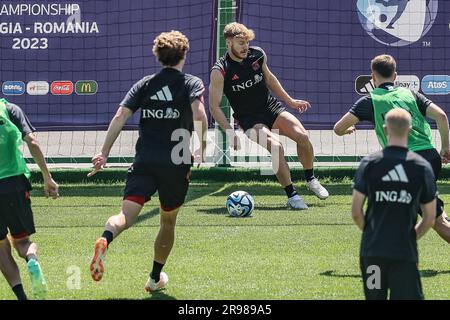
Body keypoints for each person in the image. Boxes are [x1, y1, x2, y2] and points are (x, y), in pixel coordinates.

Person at [88, 30, 208, 293]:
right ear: (183, 55)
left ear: (158, 55)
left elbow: (120, 116)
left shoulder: (144, 84)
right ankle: (155, 279)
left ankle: (105, 239)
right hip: (176, 162)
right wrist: (202, 145)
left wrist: (104, 153)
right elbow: (200, 113)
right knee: (167, 221)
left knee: (126, 214)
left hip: (144, 160)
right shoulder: (191, 83)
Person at [209, 22, 329, 210]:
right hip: (249, 119)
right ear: (228, 42)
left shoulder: (257, 55)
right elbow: (214, 106)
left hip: (270, 108)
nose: (245, 47)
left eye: (247, 42)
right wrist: (229, 132)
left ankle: (311, 179)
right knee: (276, 147)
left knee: (303, 137)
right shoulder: (220, 70)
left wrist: (290, 101)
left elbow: (270, 79)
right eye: (240, 43)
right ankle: (292, 195)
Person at [334, 54, 450, 244]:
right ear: (395, 76)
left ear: (373, 77)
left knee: (435, 221)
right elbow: (442, 116)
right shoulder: (410, 94)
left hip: (407, 162)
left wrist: (347, 131)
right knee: (432, 210)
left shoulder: (368, 101)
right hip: (430, 157)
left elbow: (338, 128)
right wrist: (445, 148)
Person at [352, 108, 436, 300]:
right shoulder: (421, 167)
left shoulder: (370, 163)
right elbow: (430, 217)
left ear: (385, 129)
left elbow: (356, 212)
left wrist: (373, 234)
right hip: (404, 252)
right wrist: (409, 237)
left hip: (372, 252)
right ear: (410, 129)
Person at [0, 98, 59, 300]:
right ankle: (31, 258)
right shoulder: (10, 109)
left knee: (1, 249)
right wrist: (47, 177)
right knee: (23, 242)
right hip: (14, 184)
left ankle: (21, 296)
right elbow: (32, 142)